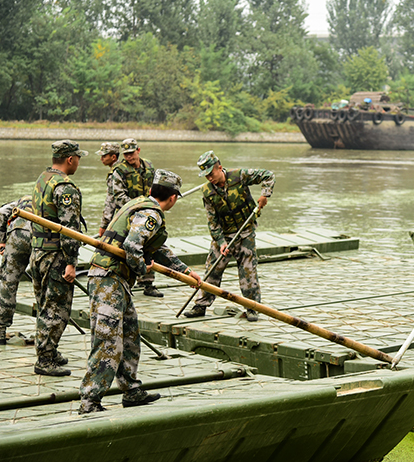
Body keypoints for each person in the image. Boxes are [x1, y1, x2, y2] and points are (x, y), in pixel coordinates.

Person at [79, 170, 202, 414]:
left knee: (130, 336)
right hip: (108, 280)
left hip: (118, 281)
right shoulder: (151, 213)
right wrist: (141, 268)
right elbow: (132, 246)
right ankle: (90, 401)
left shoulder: (138, 203)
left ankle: (131, 391)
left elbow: (157, 249)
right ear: (174, 197)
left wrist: (186, 271)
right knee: (108, 342)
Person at [183, 151, 274, 321]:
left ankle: (252, 307)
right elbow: (212, 221)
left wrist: (265, 195)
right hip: (224, 234)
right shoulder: (207, 192)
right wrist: (221, 242)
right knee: (212, 270)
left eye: (211, 174)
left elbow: (268, 175)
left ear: (219, 167)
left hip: (245, 231)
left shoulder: (239, 176)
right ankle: (200, 306)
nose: (209, 178)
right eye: (206, 176)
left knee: (248, 270)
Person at [31, 140, 87, 376]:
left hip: (38, 251)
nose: (79, 162)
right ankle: (44, 359)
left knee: (45, 304)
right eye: (78, 158)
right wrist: (71, 262)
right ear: (70, 159)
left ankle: (49, 351)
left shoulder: (42, 179)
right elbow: (69, 229)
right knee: (56, 309)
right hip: (56, 255)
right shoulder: (65, 187)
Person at [108, 138, 162, 297]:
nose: (129, 157)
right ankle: (125, 281)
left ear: (138, 150)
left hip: (147, 211)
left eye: (131, 153)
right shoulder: (119, 170)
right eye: (126, 154)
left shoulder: (149, 166)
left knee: (149, 245)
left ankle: (147, 282)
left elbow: (155, 188)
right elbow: (118, 195)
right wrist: (137, 206)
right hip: (128, 213)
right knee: (127, 246)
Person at [0, 196, 33, 344]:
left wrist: (3, 240)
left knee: (8, 283)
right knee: (43, 283)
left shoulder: (22, 200)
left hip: (16, 235)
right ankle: (46, 334)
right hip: (41, 237)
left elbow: (0, 213)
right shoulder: (50, 197)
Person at [96, 142, 121, 238]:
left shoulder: (115, 173)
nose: (101, 159)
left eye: (104, 156)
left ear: (113, 157)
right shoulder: (125, 168)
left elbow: (111, 201)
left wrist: (104, 225)